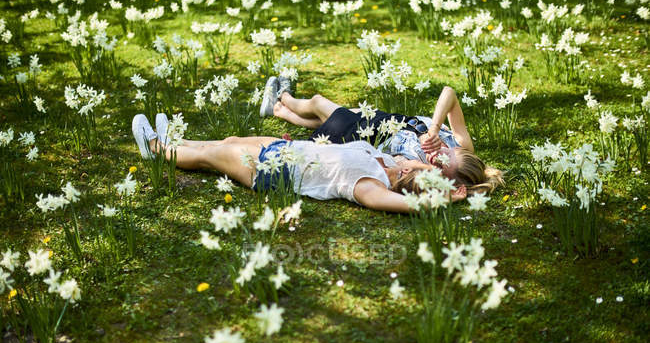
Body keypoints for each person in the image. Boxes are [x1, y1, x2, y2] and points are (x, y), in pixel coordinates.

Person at [131, 114, 466, 213]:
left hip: (272, 169)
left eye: (420, 165)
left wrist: (442, 198)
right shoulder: (383, 159)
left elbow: (404, 203)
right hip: (287, 150)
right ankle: (174, 141)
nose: (417, 158)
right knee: (229, 143)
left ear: (407, 172)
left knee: (210, 157)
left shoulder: (370, 185)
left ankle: (156, 147)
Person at [260, 77, 503, 195]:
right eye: (445, 155)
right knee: (321, 116)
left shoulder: (421, 175)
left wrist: (423, 167)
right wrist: (435, 129)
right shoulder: (463, 144)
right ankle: (279, 110)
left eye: (442, 169)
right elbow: (449, 92)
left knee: (318, 103)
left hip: (366, 135)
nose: (436, 159)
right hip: (389, 120)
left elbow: (393, 170)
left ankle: (284, 97)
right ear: (456, 150)